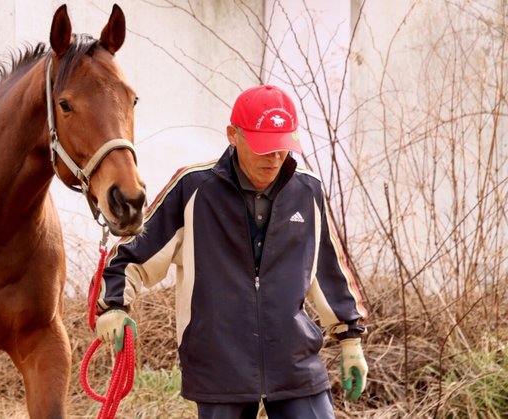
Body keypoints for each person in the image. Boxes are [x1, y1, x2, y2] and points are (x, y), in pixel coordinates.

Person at [94, 85, 369, 418]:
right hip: (219, 365)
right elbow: (131, 256)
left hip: (294, 363)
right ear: (233, 135)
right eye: (264, 147)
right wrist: (113, 306)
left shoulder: (307, 191)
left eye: (282, 146)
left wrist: (350, 338)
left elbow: (328, 269)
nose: (275, 158)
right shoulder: (193, 188)